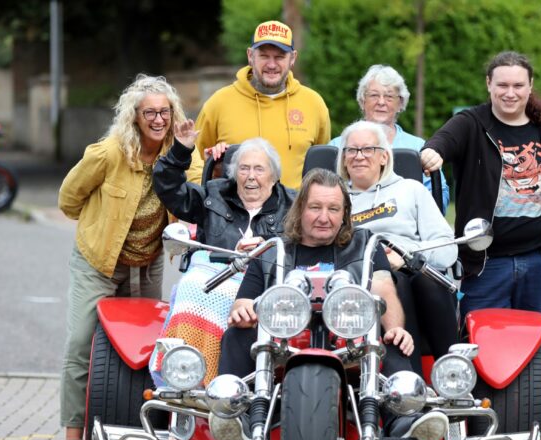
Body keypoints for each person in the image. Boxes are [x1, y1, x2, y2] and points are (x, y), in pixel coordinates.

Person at [420, 51, 541, 440]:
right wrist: (433, 153)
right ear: (489, 85)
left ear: (530, 86)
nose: (510, 92)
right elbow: (442, 140)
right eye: (502, 85)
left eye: (518, 85)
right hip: (487, 265)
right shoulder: (472, 125)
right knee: (476, 355)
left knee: (540, 356)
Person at [212, 168, 449, 440]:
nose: (324, 217)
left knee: (390, 340)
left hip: (352, 344)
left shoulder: (365, 244)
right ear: (300, 210)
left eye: (333, 209)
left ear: (345, 212)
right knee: (237, 335)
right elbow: (243, 303)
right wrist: (243, 312)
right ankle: (235, 421)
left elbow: (384, 290)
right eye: (315, 207)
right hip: (282, 345)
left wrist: (396, 328)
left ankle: (402, 426)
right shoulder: (273, 249)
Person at [56, 74, 202, 440]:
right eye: (149, 112)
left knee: (144, 351)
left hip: (146, 262)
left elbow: (197, 189)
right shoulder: (108, 153)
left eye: (164, 112)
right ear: (135, 117)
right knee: (81, 344)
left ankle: (135, 433)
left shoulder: (183, 149)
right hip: (98, 261)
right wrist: (94, 227)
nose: (158, 119)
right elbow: (69, 197)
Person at [150, 119, 297, 384]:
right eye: (243, 168)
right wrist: (180, 151)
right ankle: (184, 376)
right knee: (191, 287)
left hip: (265, 283)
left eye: (259, 169)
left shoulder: (294, 204)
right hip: (213, 273)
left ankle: (219, 380)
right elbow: (170, 190)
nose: (250, 176)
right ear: (233, 173)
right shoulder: (214, 195)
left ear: (274, 176)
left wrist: (266, 251)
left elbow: (306, 246)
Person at [337, 120, 459, 374]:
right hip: (359, 283)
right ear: (343, 158)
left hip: (414, 270)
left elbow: (448, 250)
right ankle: (407, 382)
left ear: (384, 156)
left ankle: (453, 373)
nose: (359, 157)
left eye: (367, 149)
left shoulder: (411, 190)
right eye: (351, 150)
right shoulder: (335, 199)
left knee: (427, 280)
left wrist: (406, 257)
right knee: (394, 284)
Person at [194, 20, 331, 188]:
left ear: (293, 58)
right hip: (235, 212)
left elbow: (323, 171)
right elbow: (194, 164)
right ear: (250, 56)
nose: (271, 65)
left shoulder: (314, 104)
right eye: (264, 56)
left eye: (279, 57)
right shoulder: (218, 103)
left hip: (295, 212)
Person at [330, 64, 449, 209]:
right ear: (362, 101)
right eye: (374, 95)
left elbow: (439, 197)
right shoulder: (338, 145)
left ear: (400, 103)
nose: (381, 102)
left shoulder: (418, 147)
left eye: (389, 96)